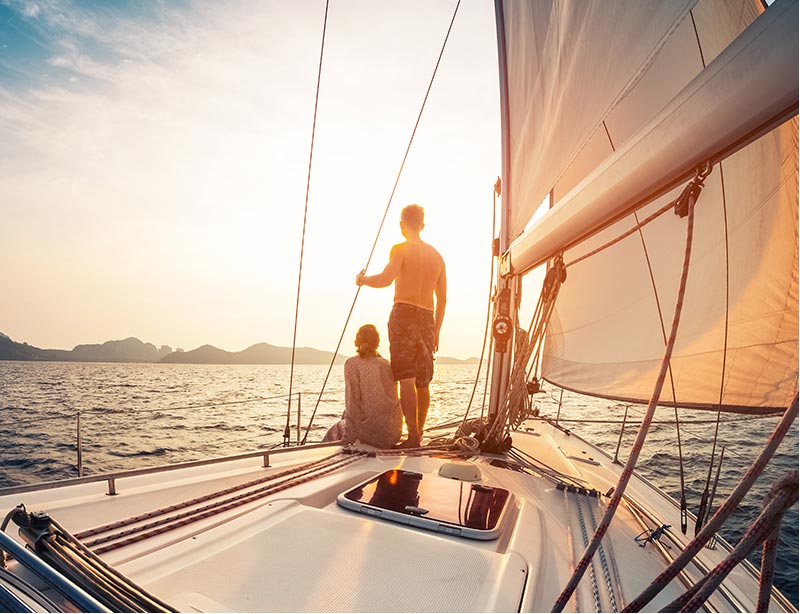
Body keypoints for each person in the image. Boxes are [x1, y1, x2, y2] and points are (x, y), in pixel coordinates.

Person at [356, 204, 446, 447]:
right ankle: (420, 433)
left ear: (401, 225)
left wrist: (362, 280)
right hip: (428, 318)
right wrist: (436, 330)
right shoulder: (438, 257)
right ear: (423, 225)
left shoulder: (400, 249)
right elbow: (443, 299)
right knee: (423, 381)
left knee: (406, 379)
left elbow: (386, 279)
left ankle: (413, 437)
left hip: (404, 314)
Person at [324, 324, 402, 448]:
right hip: (392, 433)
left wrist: (348, 437)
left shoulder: (352, 364)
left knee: (336, 428)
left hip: (369, 435)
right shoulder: (386, 364)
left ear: (356, 341)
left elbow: (352, 403)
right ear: (377, 343)